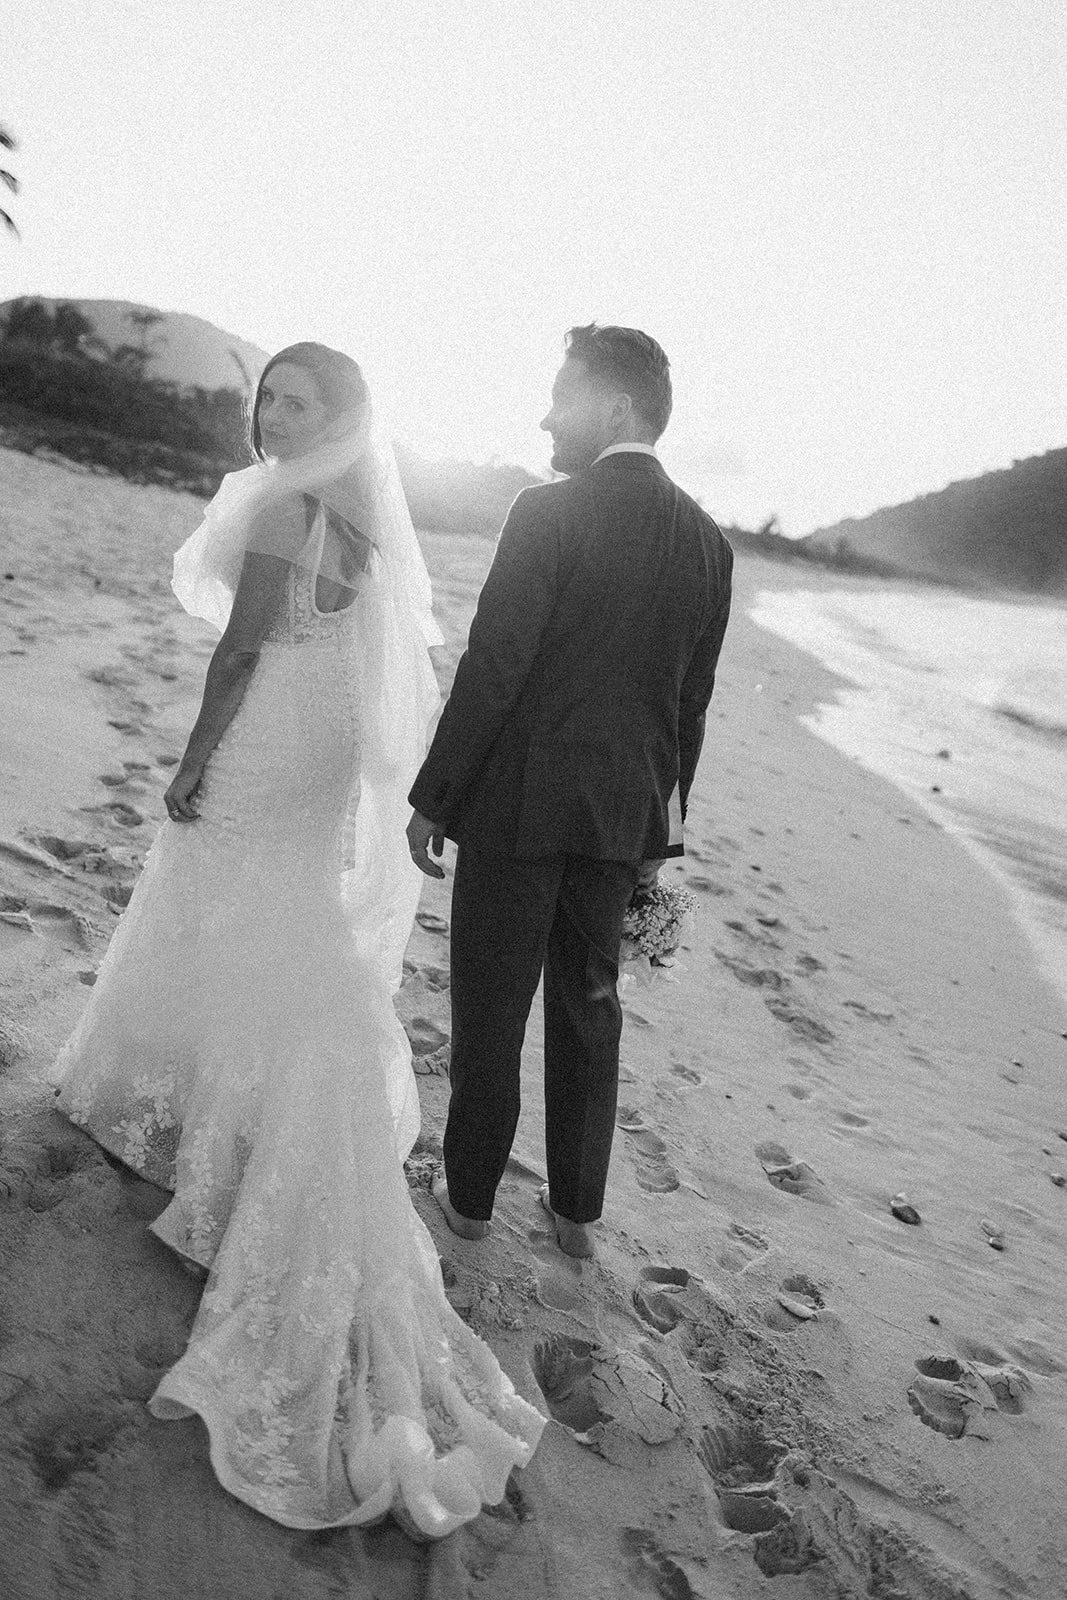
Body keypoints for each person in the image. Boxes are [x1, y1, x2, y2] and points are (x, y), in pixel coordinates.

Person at [52, 343, 545, 1538]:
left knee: (210, 877)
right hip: (324, 735)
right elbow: (349, 636)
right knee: (283, 909)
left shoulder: (282, 499)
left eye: (298, 399)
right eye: (268, 393)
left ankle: (174, 1089)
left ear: (341, 415)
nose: (274, 412)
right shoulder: (362, 502)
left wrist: (191, 756)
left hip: (272, 721)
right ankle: (248, 1085)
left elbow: (242, 647)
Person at [407, 324, 733, 1260]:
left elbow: (496, 664)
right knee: (590, 1008)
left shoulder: (544, 513)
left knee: (491, 1008)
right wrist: (657, 838)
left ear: (618, 406)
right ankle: (576, 1214)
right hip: (622, 813)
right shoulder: (709, 545)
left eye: (562, 392)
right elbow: (689, 710)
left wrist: (436, 793)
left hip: (517, 803)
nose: (546, 413)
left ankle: (468, 1202)